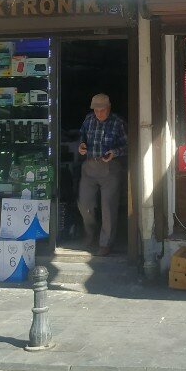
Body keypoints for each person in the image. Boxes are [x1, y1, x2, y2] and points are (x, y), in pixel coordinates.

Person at [77, 93, 127, 256]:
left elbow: (128, 145)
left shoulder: (118, 122)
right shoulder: (88, 119)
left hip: (110, 168)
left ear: (109, 108)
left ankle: (106, 243)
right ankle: (90, 233)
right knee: (84, 204)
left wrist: (114, 152)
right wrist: (81, 146)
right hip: (90, 166)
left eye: (102, 110)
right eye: (96, 110)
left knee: (108, 207)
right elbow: (82, 137)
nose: (99, 113)